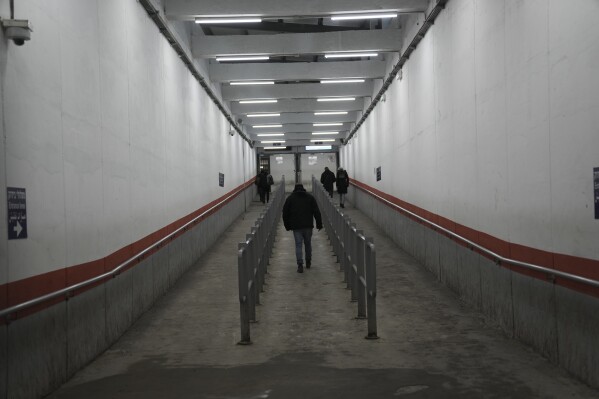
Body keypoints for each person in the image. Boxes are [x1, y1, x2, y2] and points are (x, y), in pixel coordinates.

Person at [283, 184, 323, 273]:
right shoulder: (310, 197)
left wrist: (287, 225)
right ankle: (308, 261)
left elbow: (285, 213)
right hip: (308, 225)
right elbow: (317, 211)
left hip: (296, 226)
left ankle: (300, 264)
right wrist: (319, 224)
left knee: (298, 245)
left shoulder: (290, 198)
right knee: (308, 243)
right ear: (303, 189)